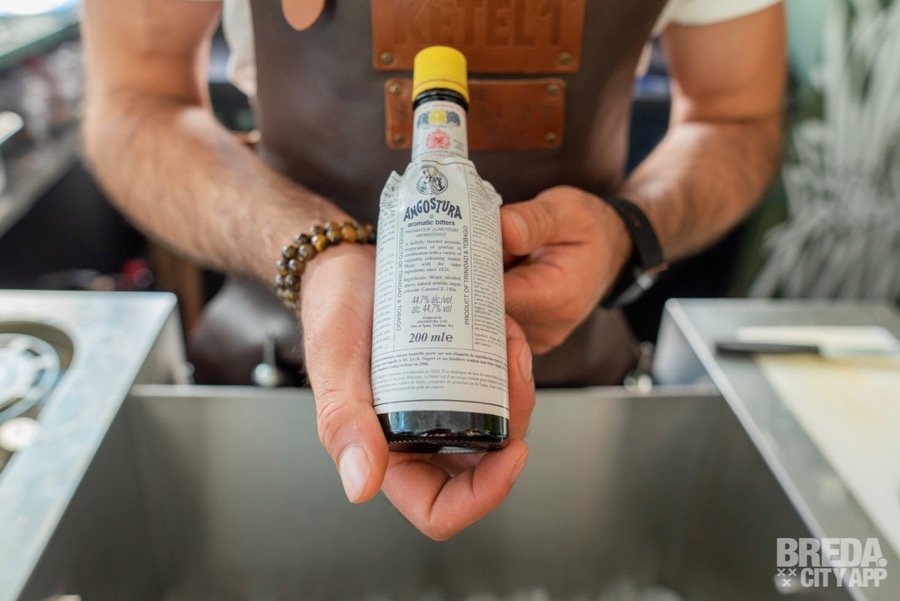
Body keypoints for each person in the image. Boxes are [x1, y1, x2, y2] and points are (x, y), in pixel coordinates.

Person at [80, 0, 785, 540]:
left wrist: (626, 231)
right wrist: (314, 248)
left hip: (571, 387)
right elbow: (135, 100)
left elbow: (733, 116)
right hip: (277, 379)